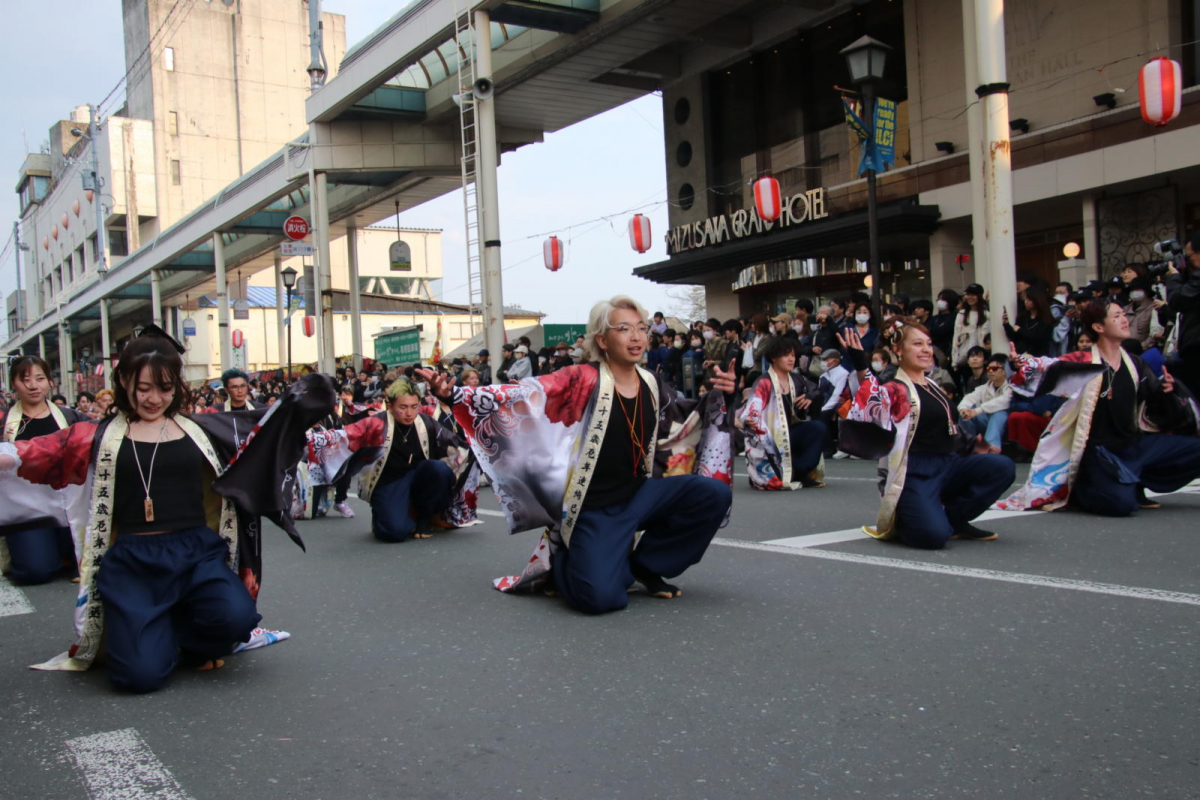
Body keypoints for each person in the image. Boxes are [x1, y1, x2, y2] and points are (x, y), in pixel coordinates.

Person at [0, 329, 325, 691]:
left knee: (236, 618)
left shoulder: (202, 429)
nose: (155, 399)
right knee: (137, 678)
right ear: (124, 381)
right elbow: (31, 453)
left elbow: (268, 429)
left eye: (165, 388)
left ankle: (187, 635)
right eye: (143, 389)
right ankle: (158, 635)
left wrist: (311, 397)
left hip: (196, 553)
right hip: (133, 561)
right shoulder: (95, 435)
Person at [420, 295, 736, 614]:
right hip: (592, 506)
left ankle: (647, 565)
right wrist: (453, 394)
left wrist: (724, 394)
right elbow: (525, 394)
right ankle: (561, 565)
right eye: (624, 329)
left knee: (711, 493)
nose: (637, 336)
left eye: (641, 328)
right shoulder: (581, 378)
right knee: (602, 600)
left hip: (640, 493)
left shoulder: (651, 383)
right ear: (602, 339)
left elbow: (685, 417)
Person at [998, 301, 1200, 516]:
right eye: (1116, 316)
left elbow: (1155, 402)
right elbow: (1047, 368)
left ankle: (1135, 479)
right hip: (1100, 452)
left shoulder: (1135, 363)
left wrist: (1167, 390)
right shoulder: (1083, 361)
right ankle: (1079, 489)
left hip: (1135, 443)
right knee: (1121, 505)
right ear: (1098, 327)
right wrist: (1021, 365)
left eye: (1123, 314)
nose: (1124, 319)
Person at [839, 319, 1016, 548]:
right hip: (915, 471)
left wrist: (975, 446)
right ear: (898, 350)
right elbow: (874, 398)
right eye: (917, 344)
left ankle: (955, 519)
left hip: (948, 463)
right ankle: (909, 519)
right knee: (932, 537)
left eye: (928, 344)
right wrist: (861, 363)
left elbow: (950, 426)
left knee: (1002, 467)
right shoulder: (896, 388)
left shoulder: (932, 385)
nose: (926, 349)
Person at [0, 356, 88, 584]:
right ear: (14, 384)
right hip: (25, 511)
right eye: (25, 379)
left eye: (40, 378)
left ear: (50, 382)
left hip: (69, 505)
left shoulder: (72, 418)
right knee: (36, 572)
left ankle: (62, 552)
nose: (33, 385)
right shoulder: (4, 423)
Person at [740, 336, 827, 489]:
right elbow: (753, 407)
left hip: (790, 432)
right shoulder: (763, 382)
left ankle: (800, 471)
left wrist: (810, 396)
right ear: (774, 357)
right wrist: (749, 419)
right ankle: (777, 471)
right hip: (771, 436)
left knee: (818, 427)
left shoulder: (797, 379)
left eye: (793, 355)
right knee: (775, 477)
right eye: (786, 355)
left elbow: (816, 390)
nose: (791, 359)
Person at [956, 354, 1012, 451]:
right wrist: (964, 409)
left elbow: (1003, 401)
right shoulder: (985, 387)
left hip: (1006, 423)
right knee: (965, 415)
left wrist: (977, 411)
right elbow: (970, 398)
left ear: (1004, 371)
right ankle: (968, 447)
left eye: (994, 368)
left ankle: (991, 447)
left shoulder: (1011, 386)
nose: (990, 371)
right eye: (989, 368)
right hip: (987, 421)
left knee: (999, 413)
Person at [1003, 285, 1054, 357]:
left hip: (1038, 357)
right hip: (1021, 355)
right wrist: (1006, 324)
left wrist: (1020, 330)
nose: (1026, 302)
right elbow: (1014, 337)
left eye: (1029, 300)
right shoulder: (1022, 317)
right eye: (1025, 299)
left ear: (1037, 300)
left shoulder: (1046, 319)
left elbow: (1038, 338)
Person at [952, 283, 988, 372]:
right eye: (968, 294)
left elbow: (985, 337)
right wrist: (954, 360)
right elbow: (956, 337)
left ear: (979, 296)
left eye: (973, 294)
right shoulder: (961, 314)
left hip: (980, 358)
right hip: (964, 357)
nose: (970, 297)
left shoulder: (986, 315)